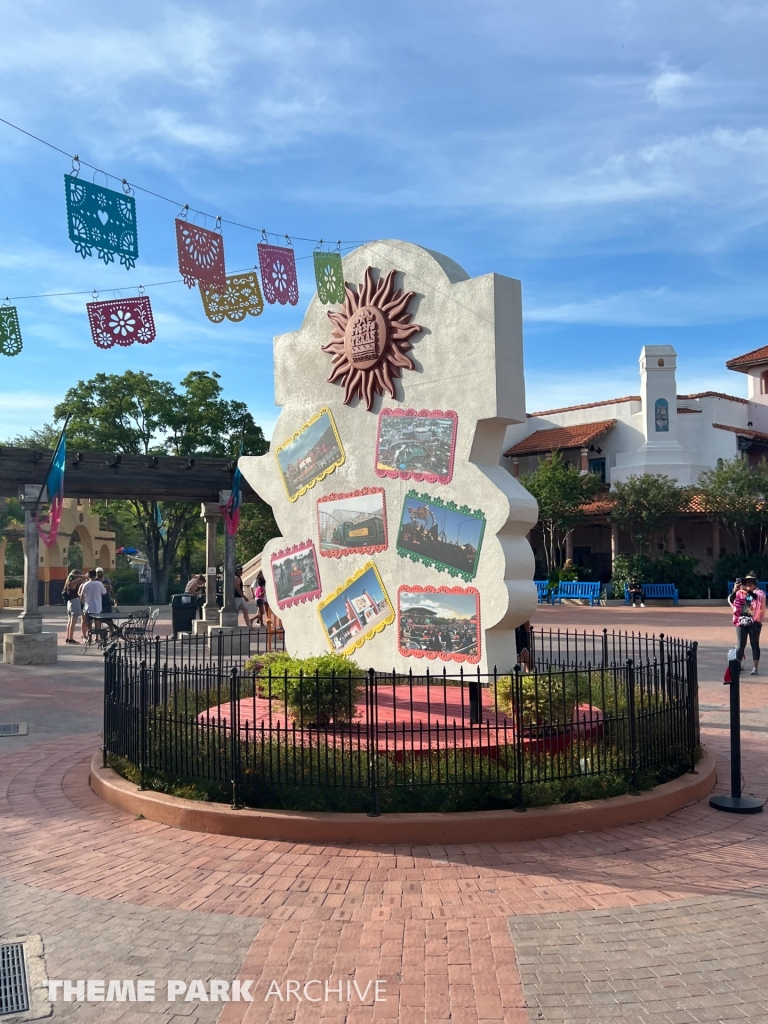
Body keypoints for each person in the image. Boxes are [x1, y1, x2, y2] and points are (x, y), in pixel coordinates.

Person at [732, 573, 765, 676]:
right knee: (740, 645)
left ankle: (755, 668)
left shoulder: (760, 593)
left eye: (750, 583)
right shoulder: (740, 593)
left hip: (754, 621)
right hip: (741, 621)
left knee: (754, 644)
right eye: (747, 583)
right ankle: (737, 666)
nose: (748, 584)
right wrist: (735, 590)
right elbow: (732, 600)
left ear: (755, 584)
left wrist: (747, 591)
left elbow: (757, 598)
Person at [79, 569, 107, 639]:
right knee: (97, 621)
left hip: (88, 606)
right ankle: (97, 637)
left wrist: (84, 602)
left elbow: (81, 595)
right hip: (97, 606)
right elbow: (104, 592)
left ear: (88, 575)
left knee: (89, 622)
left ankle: (89, 637)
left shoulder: (86, 584)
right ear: (95, 575)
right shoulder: (99, 584)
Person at [64, 568, 87, 644]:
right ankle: (70, 638)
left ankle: (68, 637)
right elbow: (86, 577)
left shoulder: (68, 582)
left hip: (70, 602)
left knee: (70, 621)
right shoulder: (73, 582)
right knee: (73, 621)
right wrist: (78, 575)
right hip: (74, 601)